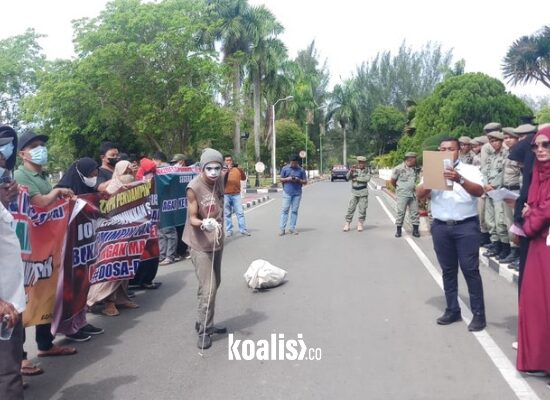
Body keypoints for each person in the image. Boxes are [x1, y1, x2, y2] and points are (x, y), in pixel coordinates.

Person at [13, 131, 77, 374]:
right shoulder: (20, 175)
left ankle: (45, 344)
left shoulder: (41, 176)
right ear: (22, 153)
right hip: (27, 249)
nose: (41, 149)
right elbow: (39, 203)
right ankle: (18, 358)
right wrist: (57, 193)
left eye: (42, 145)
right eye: (35, 146)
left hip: (46, 247)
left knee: (46, 292)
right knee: (23, 299)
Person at [416, 137, 486, 331]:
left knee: (470, 270)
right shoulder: (431, 168)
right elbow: (420, 194)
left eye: (451, 148)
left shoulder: (470, 169)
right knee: (448, 271)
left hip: (466, 227)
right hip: (441, 227)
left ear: (459, 151)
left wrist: (459, 179)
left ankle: (479, 314)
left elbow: (479, 191)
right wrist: (431, 180)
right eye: (443, 148)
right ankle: (452, 309)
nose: (447, 151)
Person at [55, 158, 105, 340]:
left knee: (83, 286)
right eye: (92, 173)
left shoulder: (88, 189)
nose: (95, 176)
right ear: (81, 172)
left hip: (85, 247)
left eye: (96, 172)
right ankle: (70, 328)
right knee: (71, 288)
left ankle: (81, 322)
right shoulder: (61, 189)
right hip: (69, 250)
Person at [182, 148, 227, 350]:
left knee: (214, 284)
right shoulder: (194, 187)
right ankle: (204, 331)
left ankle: (203, 320)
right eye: (209, 168)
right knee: (208, 288)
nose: (214, 172)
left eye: (217, 167)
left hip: (216, 241)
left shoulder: (220, 181)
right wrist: (203, 223)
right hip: (200, 243)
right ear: (202, 168)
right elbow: (191, 217)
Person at [516, 125, 550, 375]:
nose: (539, 149)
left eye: (545, 144)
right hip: (539, 245)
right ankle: (541, 360)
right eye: (536, 145)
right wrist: (530, 212)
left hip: (542, 241)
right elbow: (533, 204)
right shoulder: (538, 172)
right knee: (536, 303)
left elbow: (543, 211)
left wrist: (529, 219)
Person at [87, 160, 140, 316]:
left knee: (125, 265)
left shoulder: (135, 187)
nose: (129, 175)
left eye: (131, 172)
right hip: (112, 233)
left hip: (129, 231)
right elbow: (104, 211)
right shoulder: (111, 189)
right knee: (111, 267)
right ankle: (106, 302)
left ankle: (121, 298)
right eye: (126, 172)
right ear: (118, 172)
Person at [0, 126, 25, 398]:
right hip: (3, 305)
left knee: (11, 367)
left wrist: (6, 201)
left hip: (11, 300)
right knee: (7, 375)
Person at [482, 131, 510, 260]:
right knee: (490, 220)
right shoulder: (491, 156)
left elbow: (504, 173)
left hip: (499, 191)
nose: (494, 144)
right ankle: (496, 244)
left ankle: (505, 247)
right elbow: (485, 171)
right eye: (491, 141)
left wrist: (493, 184)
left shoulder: (506, 154)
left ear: (501, 141)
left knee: (500, 221)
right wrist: (486, 184)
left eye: (496, 141)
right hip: (489, 192)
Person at [153, 152, 181, 265]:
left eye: (153, 161)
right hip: (168, 203)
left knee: (167, 230)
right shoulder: (173, 170)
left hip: (162, 203)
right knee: (162, 231)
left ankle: (168, 256)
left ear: (157, 160)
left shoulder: (163, 171)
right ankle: (165, 255)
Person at [499, 130, 522, 265]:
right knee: (509, 223)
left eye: (510, 138)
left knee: (519, 223)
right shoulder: (507, 153)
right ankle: (513, 251)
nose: (507, 140)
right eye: (505, 138)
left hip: (516, 191)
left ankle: (520, 253)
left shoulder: (521, 152)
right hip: (505, 191)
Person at [391, 152, 419, 237]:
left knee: (415, 212)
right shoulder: (398, 168)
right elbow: (393, 181)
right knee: (401, 212)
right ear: (409, 159)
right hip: (402, 194)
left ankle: (415, 230)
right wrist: (400, 188)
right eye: (414, 158)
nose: (415, 160)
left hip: (413, 194)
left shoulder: (415, 169)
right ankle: (398, 230)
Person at [279, 155, 307, 236]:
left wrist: (298, 180)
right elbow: (281, 179)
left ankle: (292, 228)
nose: (293, 164)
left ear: (297, 162)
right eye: (291, 163)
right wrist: (288, 179)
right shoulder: (285, 168)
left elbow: (305, 181)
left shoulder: (301, 170)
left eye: (294, 163)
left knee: (294, 211)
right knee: (285, 210)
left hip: (297, 193)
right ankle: (282, 229)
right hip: (287, 192)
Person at [223, 154, 250, 237]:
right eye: (227, 160)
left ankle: (243, 230)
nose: (228, 162)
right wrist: (227, 171)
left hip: (236, 195)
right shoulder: (222, 170)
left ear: (232, 161)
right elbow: (220, 179)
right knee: (227, 214)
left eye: (230, 160)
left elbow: (243, 178)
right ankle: (229, 230)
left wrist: (240, 169)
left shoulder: (237, 169)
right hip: (226, 195)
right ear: (224, 161)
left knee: (240, 213)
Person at [342, 156, 370, 232]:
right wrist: (351, 171)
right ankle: (347, 223)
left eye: (362, 162)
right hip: (354, 192)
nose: (361, 164)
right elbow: (347, 178)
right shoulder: (354, 169)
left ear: (364, 163)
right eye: (359, 162)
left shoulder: (367, 170)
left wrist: (357, 179)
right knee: (351, 208)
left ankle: (360, 224)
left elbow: (367, 179)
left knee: (363, 209)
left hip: (363, 192)